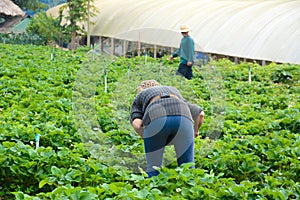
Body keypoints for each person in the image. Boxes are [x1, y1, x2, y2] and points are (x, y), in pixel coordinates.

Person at [130, 80, 204, 177]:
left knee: (153, 167)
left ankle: (154, 189)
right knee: (188, 167)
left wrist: (147, 137)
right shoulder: (173, 91)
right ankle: (191, 187)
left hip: (156, 118)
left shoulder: (140, 96)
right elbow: (200, 114)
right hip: (183, 118)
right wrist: (195, 131)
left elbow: (137, 124)